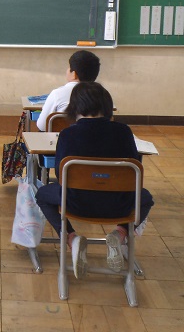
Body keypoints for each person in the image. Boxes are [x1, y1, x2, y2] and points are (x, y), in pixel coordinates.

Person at [35, 82, 154, 279]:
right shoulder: (124, 132)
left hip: (74, 203)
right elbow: (135, 172)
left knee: (42, 195)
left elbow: (60, 174)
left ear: (74, 108)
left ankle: (72, 238)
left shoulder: (68, 134)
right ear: (107, 107)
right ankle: (119, 234)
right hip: (119, 205)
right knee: (146, 198)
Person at [36, 50, 100, 131]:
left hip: (62, 138)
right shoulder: (102, 95)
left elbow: (42, 126)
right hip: (95, 138)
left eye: (69, 68)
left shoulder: (57, 94)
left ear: (74, 74)